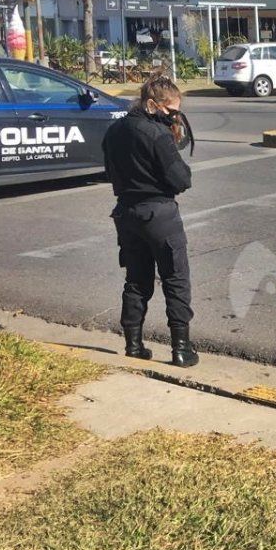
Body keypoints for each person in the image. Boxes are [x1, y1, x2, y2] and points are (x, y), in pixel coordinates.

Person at [102, 77, 198, 367]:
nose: (174, 117)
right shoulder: (157, 134)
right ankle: (181, 348)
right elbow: (181, 179)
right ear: (152, 104)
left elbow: (110, 171)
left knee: (136, 280)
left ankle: (133, 344)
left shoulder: (114, 130)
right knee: (175, 279)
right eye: (171, 111)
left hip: (126, 213)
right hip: (159, 214)